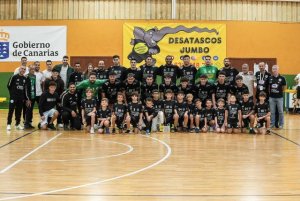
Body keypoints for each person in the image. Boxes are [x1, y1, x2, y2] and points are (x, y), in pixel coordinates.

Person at [7, 66, 28, 130]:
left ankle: (17, 124)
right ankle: (8, 124)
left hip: (21, 98)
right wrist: (12, 94)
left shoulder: (25, 78)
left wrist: (25, 98)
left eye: (24, 69)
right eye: (22, 69)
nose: (23, 70)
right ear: (19, 69)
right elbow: (8, 85)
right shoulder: (14, 76)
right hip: (13, 97)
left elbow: (25, 89)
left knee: (19, 111)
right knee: (11, 110)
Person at [24, 65, 36, 129]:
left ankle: (29, 123)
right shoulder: (26, 76)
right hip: (28, 97)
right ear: (29, 70)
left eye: (33, 69)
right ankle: (26, 123)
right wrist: (27, 98)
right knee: (28, 110)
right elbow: (25, 88)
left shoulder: (34, 76)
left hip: (33, 96)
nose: (33, 70)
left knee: (31, 110)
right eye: (31, 69)